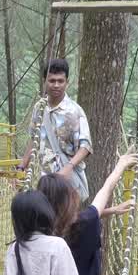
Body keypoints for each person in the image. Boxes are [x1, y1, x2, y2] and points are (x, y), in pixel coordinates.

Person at [17, 59, 93, 202]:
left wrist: (68, 168)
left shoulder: (75, 112)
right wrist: (22, 166)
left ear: (67, 82)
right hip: (43, 183)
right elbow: (34, 139)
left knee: (66, 223)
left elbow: (85, 147)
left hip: (67, 184)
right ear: (45, 81)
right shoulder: (39, 108)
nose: (56, 85)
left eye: (60, 81)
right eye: (52, 81)